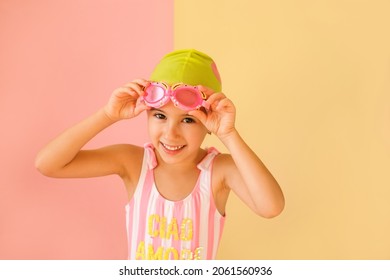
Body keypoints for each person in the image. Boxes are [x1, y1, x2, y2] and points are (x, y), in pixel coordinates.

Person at [35, 49, 285, 260]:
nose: (171, 133)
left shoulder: (219, 171)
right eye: (160, 116)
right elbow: (48, 164)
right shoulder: (133, 163)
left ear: (209, 123)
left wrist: (228, 133)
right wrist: (108, 115)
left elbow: (271, 207)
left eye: (188, 120)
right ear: (146, 114)